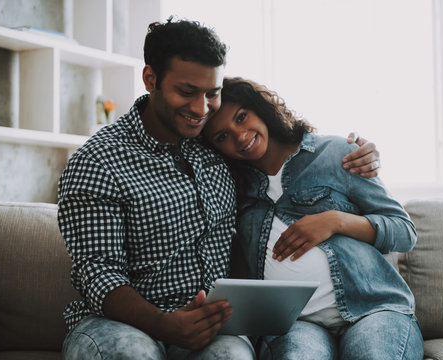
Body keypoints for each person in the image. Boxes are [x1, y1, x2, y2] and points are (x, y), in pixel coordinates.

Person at [57, 17, 381, 360]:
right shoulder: (97, 160)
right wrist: (165, 324)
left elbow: (280, 147)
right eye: (186, 92)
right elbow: (97, 272)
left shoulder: (216, 146)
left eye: (212, 93)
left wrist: (358, 153)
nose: (201, 109)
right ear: (150, 79)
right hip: (119, 325)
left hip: (212, 326)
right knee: (131, 354)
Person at [202, 77, 424, 360]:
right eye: (222, 136)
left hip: (374, 309)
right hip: (297, 323)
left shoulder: (334, 154)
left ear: (261, 109)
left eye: (242, 117)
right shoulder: (232, 189)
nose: (240, 135)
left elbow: (404, 231)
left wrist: (335, 220)